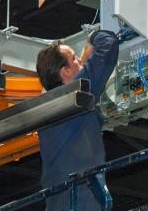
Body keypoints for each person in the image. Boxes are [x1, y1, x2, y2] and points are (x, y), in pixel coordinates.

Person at [35, 30, 119, 211]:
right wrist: (94, 35)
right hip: (83, 199)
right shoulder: (76, 96)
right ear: (65, 72)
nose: (79, 61)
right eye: (74, 59)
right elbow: (108, 45)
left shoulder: (50, 108)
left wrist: (81, 63)